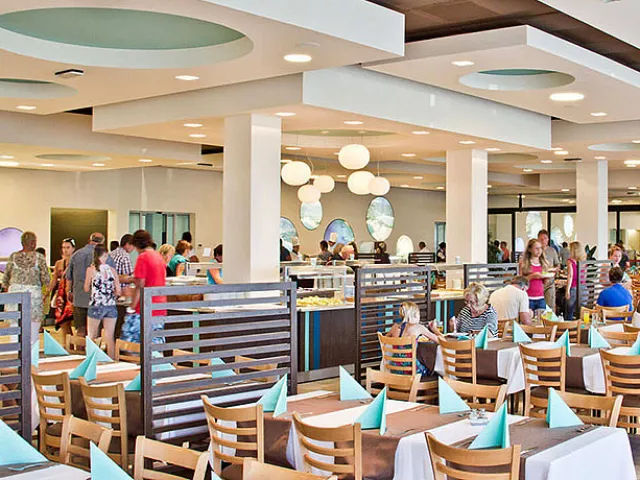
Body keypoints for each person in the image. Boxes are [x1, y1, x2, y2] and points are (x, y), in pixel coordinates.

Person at [2, 231, 50, 344]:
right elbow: (46, 278)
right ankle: (32, 351)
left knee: (15, 324)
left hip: (15, 294)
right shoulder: (39, 257)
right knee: (33, 327)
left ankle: (15, 349)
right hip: (33, 295)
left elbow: (6, 278)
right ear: (33, 243)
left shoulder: (13, 257)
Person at [121, 230, 167, 344]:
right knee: (155, 342)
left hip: (144, 307)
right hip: (160, 306)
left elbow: (140, 286)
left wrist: (132, 307)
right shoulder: (158, 256)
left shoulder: (143, 257)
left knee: (130, 343)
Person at [67, 232, 115, 337]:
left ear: (89, 240)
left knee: (81, 330)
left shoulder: (76, 254)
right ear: (102, 242)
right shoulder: (105, 256)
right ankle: (93, 348)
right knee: (95, 332)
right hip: (98, 300)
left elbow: (69, 277)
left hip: (79, 298)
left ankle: (79, 347)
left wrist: (69, 291)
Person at [84, 244, 121, 359]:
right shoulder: (112, 270)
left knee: (92, 336)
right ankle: (112, 361)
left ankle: (91, 361)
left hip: (96, 304)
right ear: (105, 255)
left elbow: (86, 288)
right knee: (109, 337)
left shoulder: (91, 270)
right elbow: (118, 290)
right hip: (110, 305)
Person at [387, 302, 441, 375]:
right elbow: (441, 341)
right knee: (432, 369)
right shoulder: (419, 328)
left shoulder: (394, 327)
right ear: (415, 315)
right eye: (419, 314)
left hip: (394, 368)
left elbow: (384, 342)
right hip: (411, 370)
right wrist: (435, 329)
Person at [109, 234, 135, 338]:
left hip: (108, 295)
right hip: (120, 294)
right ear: (128, 244)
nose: (133, 249)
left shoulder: (111, 253)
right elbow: (128, 277)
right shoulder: (124, 256)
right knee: (120, 325)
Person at [49, 238, 76, 337]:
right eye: (64, 247)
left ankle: (75, 342)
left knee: (75, 321)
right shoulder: (59, 263)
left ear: (73, 249)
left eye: (68, 247)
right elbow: (54, 279)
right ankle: (68, 342)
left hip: (73, 293)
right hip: (62, 294)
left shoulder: (76, 262)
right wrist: (47, 292)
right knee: (63, 321)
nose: (65, 250)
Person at [519, 238, 549, 312]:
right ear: (530, 249)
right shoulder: (524, 263)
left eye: (540, 248)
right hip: (527, 298)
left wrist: (546, 277)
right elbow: (519, 282)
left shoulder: (543, 264)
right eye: (536, 248)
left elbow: (545, 283)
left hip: (541, 297)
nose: (539, 250)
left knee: (542, 318)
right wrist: (532, 276)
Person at [537, 230, 559, 310]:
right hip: (538, 284)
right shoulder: (535, 251)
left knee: (550, 307)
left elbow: (557, 265)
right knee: (538, 308)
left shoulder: (552, 251)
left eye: (545, 238)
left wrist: (552, 270)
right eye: (541, 239)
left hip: (550, 284)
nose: (543, 240)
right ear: (538, 239)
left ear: (548, 239)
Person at [565, 241, 585, 321]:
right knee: (581, 312)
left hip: (573, 288)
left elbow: (570, 276)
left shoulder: (570, 261)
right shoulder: (583, 261)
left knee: (569, 311)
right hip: (583, 289)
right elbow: (584, 276)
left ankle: (569, 327)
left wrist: (567, 290)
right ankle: (580, 327)